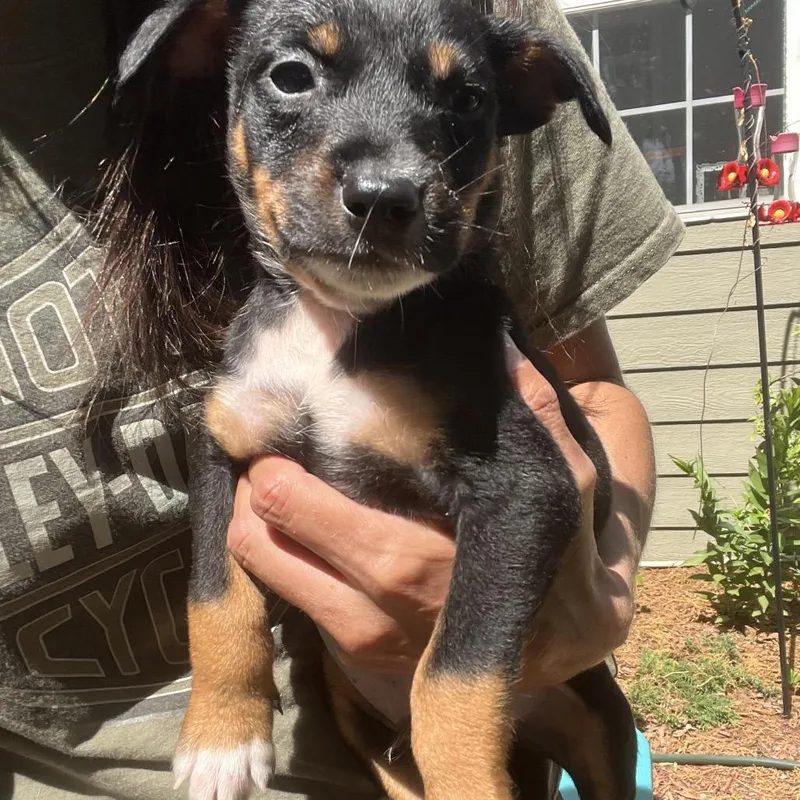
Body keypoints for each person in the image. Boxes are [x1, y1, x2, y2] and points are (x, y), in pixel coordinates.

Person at [0, 0, 684, 797]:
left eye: (460, 102)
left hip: (494, 696)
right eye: (294, 78)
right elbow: (224, 460)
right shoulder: (256, 349)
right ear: (203, 61)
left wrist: (604, 590)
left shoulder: (453, 339)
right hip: (339, 717)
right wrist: (230, 672)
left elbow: (574, 424)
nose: (387, 180)